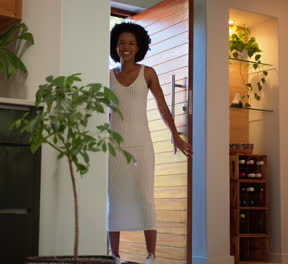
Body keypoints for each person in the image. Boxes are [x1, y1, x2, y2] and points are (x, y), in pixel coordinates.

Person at [107, 22, 193, 264]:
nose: (126, 47)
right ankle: (114, 256)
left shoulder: (148, 73)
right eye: (122, 42)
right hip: (113, 146)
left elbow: (163, 107)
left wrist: (175, 135)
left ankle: (150, 256)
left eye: (131, 43)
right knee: (114, 199)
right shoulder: (107, 75)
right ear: (115, 45)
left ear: (139, 47)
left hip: (142, 145)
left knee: (144, 197)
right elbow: (104, 113)